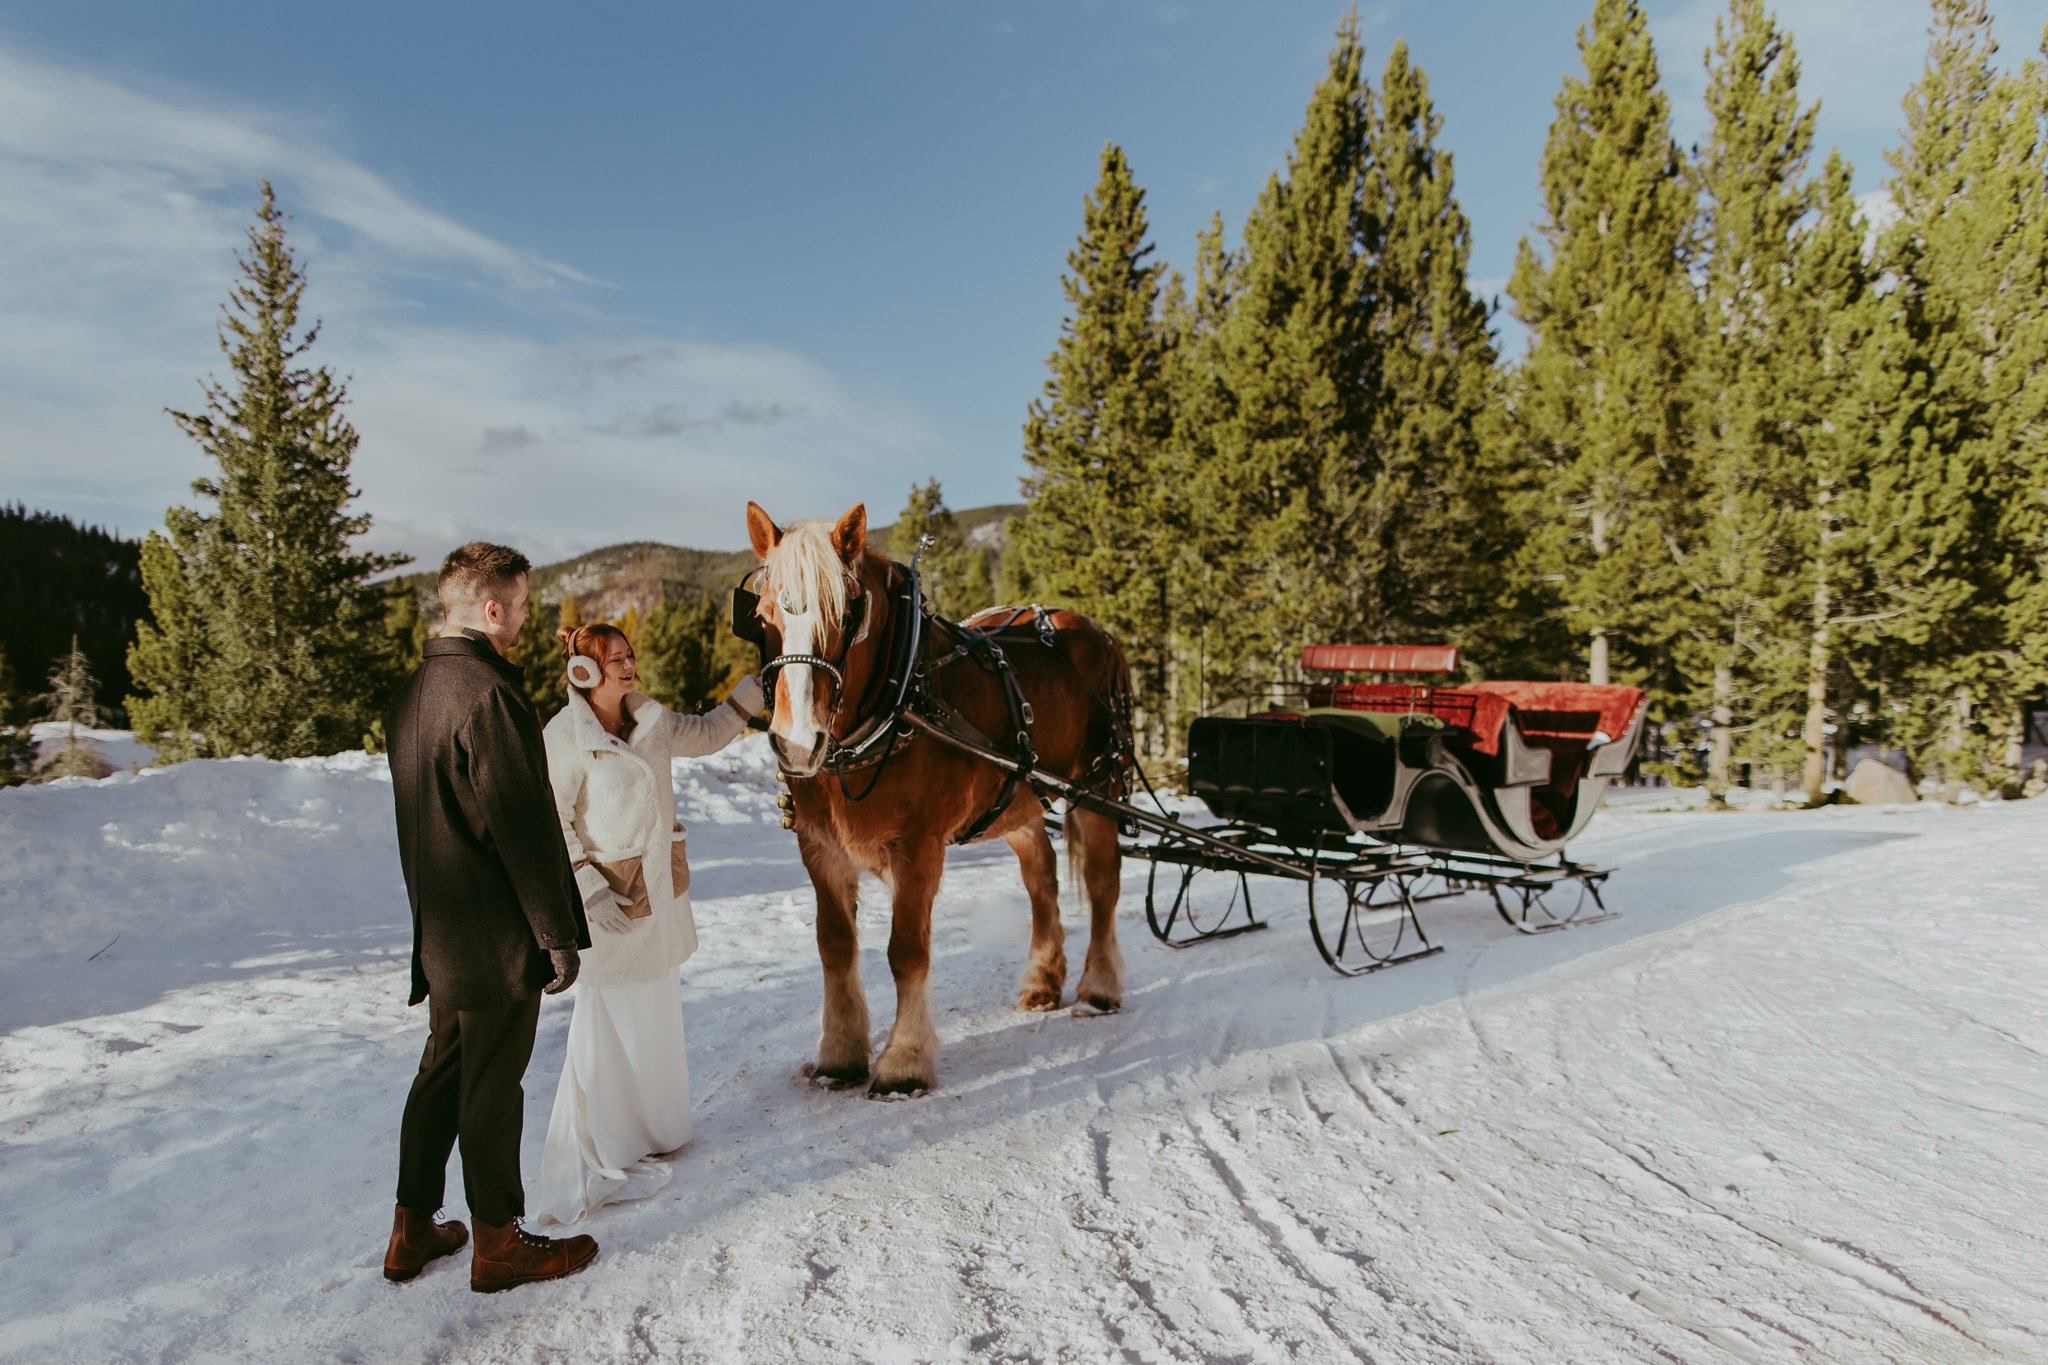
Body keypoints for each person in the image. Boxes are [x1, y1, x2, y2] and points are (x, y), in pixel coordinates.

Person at [382, 541, 601, 1292]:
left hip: (440, 931)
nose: (527, 618)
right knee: (490, 1088)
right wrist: (555, 932)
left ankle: (411, 1230)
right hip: (498, 934)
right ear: (492, 607)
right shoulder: (488, 694)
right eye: (523, 603)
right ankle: (499, 1243)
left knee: (441, 1075)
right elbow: (524, 828)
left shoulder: (411, 692)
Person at [532, 621, 764, 1224]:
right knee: (608, 1026)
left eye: (629, 656)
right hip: (611, 905)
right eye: (613, 660)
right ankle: (609, 1143)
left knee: (656, 1014)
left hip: (658, 898)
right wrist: (585, 887)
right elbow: (551, 819)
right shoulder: (566, 736)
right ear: (583, 672)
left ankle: (656, 1128)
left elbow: (710, 732)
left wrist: (749, 694)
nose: (627, 667)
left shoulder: (654, 722)